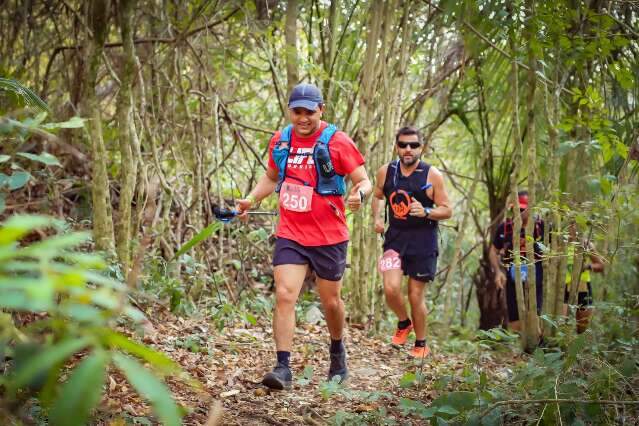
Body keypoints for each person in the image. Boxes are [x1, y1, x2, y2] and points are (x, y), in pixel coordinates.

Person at [236, 83, 372, 390]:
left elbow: (363, 181)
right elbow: (272, 178)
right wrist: (250, 200)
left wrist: (359, 196)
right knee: (285, 295)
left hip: (329, 235)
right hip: (291, 233)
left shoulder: (337, 141)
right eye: (297, 112)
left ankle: (337, 350)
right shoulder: (281, 141)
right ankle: (282, 366)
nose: (303, 118)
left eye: (309, 112)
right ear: (290, 111)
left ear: (321, 110)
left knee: (331, 302)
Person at [371, 126, 452, 358]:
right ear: (396, 147)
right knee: (390, 288)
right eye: (403, 144)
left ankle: (421, 342)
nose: (408, 149)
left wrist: (426, 211)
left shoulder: (432, 174)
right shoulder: (386, 171)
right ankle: (404, 322)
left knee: (415, 295)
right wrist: (377, 218)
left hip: (423, 240)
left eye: (413, 145)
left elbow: (447, 210)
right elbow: (377, 195)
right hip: (395, 238)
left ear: (421, 148)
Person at [489, 191, 544, 332]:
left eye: (522, 210)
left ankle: (536, 347)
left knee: (535, 314)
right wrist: (497, 273)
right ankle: (521, 348)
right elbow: (493, 251)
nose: (519, 213)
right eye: (516, 209)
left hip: (537, 274)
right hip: (512, 274)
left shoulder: (541, 227)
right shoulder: (505, 228)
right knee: (515, 318)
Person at [563, 224, 604, 333]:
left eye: (574, 225)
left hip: (583, 287)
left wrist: (587, 266)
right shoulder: (561, 244)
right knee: (561, 324)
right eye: (570, 225)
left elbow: (601, 265)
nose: (572, 228)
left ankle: (577, 346)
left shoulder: (586, 244)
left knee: (582, 325)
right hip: (564, 288)